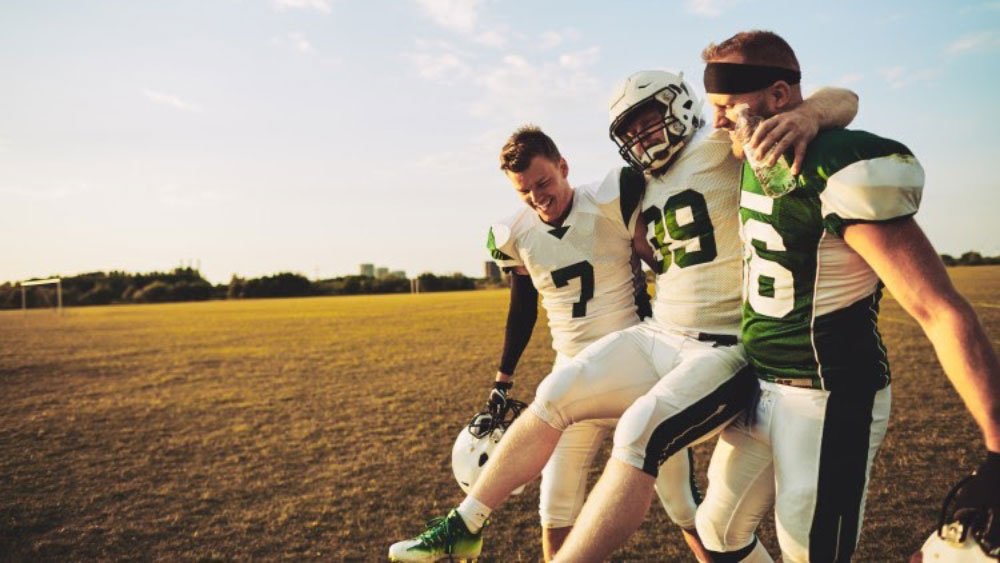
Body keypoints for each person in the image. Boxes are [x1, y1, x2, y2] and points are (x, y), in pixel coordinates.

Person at [389, 71, 857, 562]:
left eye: (649, 124)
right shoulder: (634, 182)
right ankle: (464, 523)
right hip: (659, 333)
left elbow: (843, 98)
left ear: (680, 107)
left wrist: (805, 114)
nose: (642, 140)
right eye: (630, 134)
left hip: (723, 342)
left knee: (646, 442)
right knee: (553, 394)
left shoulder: (718, 142)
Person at [694, 30, 1000, 563]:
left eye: (726, 106)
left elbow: (938, 308)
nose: (717, 122)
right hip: (760, 385)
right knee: (717, 530)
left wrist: (999, 450)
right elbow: (842, 96)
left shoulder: (830, 161)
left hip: (828, 396)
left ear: (780, 99)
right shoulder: (743, 151)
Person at [477, 125, 705, 560]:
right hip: (572, 376)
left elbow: (661, 262)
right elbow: (522, 309)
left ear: (564, 167)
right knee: (555, 506)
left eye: (544, 182)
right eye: (525, 191)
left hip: (638, 368)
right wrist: (503, 378)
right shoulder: (514, 234)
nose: (538, 197)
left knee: (682, 503)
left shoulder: (610, 199)